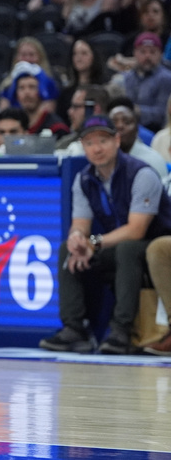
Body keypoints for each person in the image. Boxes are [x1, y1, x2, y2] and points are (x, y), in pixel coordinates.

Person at [40, 115, 171, 354]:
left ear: (117, 141)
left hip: (155, 242)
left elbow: (136, 230)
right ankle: (74, 329)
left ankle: (121, 330)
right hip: (116, 243)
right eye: (89, 143)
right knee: (66, 249)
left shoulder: (141, 173)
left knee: (127, 249)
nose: (96, 148)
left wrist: (93, 242)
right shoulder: (84, 179)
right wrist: (78, 239)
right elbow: (80, 223)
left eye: (103, 140)